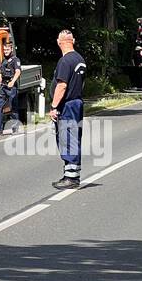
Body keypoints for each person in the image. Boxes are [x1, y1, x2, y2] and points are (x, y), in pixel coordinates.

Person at [48, 29, 87, 190]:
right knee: (73, 137)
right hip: (77, 102)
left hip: (68, 105)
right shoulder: (80, 59)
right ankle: (71, 174)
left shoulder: (65, 61)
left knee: (67, 138)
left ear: (59, 42)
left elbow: (62, 85)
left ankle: (71, 178)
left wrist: (54, 106)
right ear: (73, 40)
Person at [0, 36, 22, 134]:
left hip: (11, 87)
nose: (5, 51)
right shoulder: (4, 60)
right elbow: (1, 73)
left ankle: (15, 128)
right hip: (3, 87)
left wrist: (12, 82)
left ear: (11, 49)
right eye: (4, 49)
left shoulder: (15, 60)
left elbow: (18, 72)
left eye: (7, 49)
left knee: (13, 107)